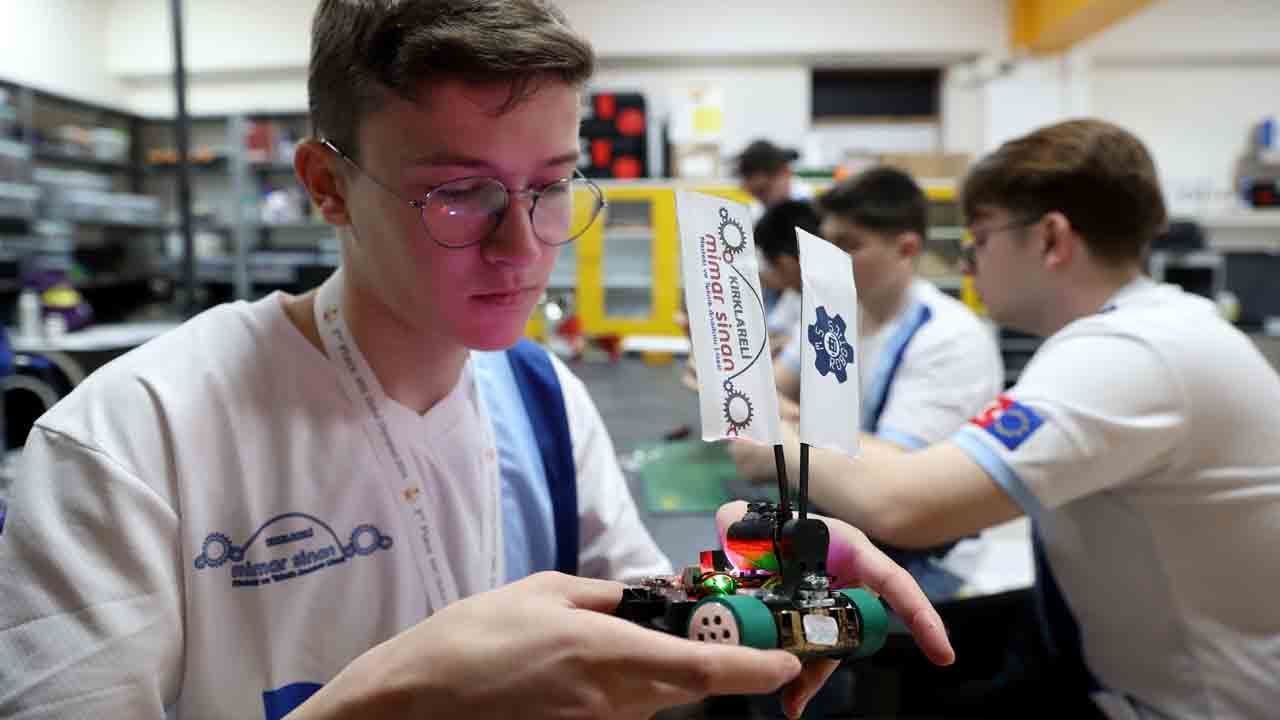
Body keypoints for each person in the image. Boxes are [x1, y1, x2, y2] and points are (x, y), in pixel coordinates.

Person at [0, 2, 953, 719]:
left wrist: (753, 585)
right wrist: (387, 702)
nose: (524, 247)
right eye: (459, 193)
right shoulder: (129, 438)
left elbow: (634, 648)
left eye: (549, 186)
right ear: (328, 186)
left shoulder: (542, 397)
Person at [729, 118, 1280, 718]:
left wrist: (773, 433)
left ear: (1050, 239)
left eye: (981, 240)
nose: (968, 264)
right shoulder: (1130, 336)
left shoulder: (1129, 354)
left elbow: (902, 507)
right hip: (1112, 667)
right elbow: (917, 467)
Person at [736, 138, 813, 220]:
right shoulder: (756, 211)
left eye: (763, 191)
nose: (762, 199)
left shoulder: (810, 210)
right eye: (755, 194)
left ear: (785, 172)